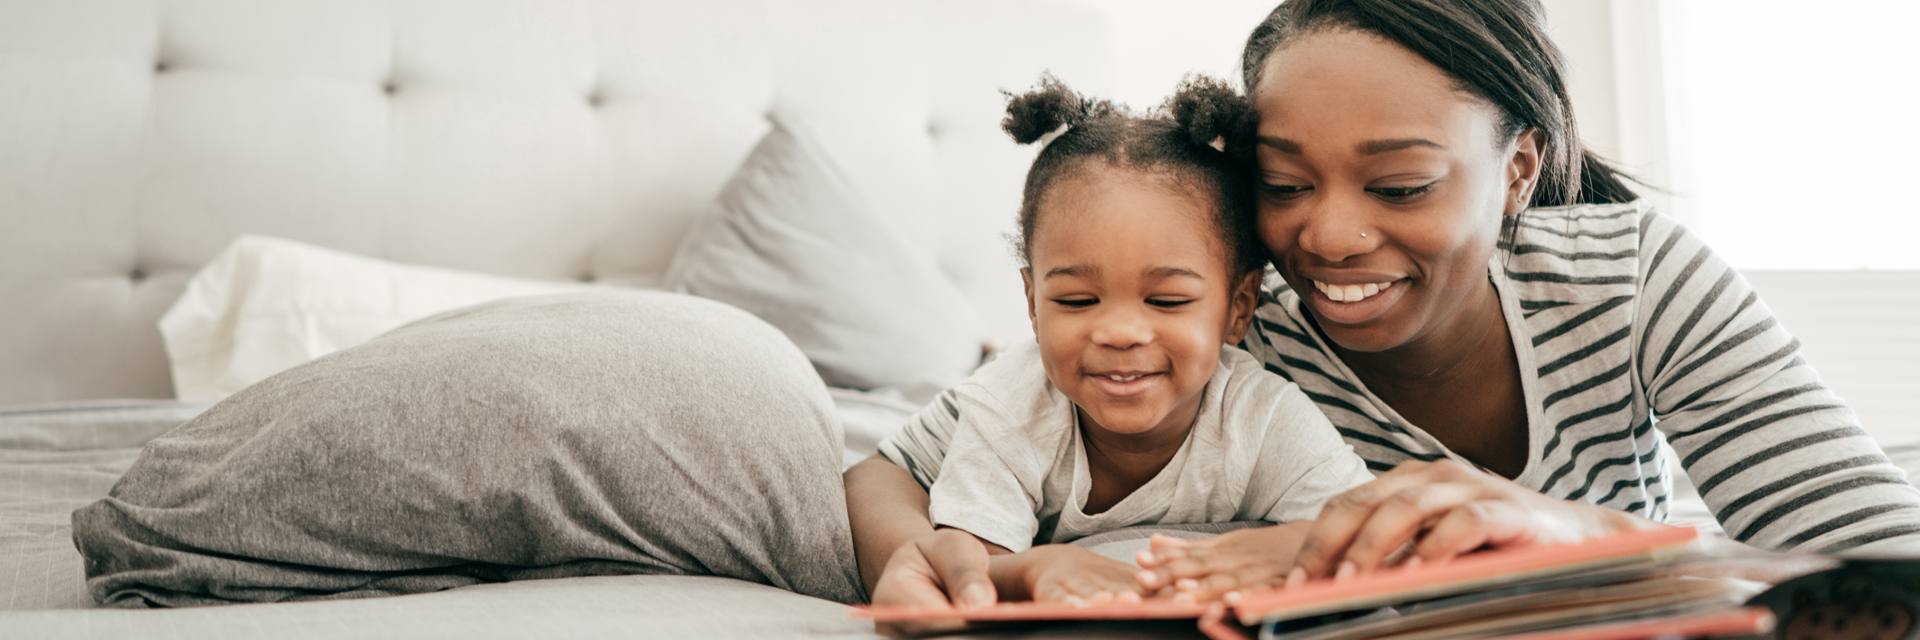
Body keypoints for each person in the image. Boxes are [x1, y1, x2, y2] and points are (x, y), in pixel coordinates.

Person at [848, 0, 1920, 615]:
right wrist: (915, 550)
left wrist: (1568, 533)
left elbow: (1890, 569)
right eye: (1283, 182)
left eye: (1400, 185)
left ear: (1518, 171)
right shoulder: (1222, 317)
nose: (1330, 237)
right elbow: (894, 464)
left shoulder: (1634, 283)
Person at [904, 75, 1374, 607]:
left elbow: (1365, 534)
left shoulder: (1264, 419)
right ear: (1033, 305)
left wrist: (1292, 546)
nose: (1120, 334)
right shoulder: (1011, 410)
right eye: (1078, 301)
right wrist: (1032, 571)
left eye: (1167, 301)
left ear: (1238, 308)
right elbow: (972, 572)